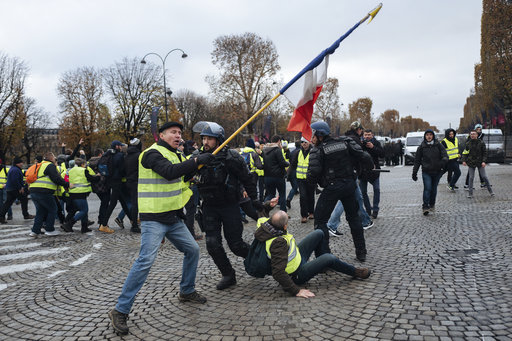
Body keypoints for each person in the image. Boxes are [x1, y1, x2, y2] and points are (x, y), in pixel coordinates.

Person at [108, 122, 214, 336]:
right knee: (145, 260)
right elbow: (168, 172)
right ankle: (120, 310)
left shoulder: (177, 155)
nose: (178, 136)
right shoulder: (151, 154)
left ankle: (186, 290)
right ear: (161, 135)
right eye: (173, 132)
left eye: (180, 133)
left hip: (173, 217)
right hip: (153, 219)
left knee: (192, 250)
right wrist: (195, 160)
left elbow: (180, 176)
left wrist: (196, 169)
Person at [194, 122, 260, 290]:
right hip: (209, 207)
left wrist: (255, 199)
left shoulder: (232, 157)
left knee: (236, 245)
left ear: (219, 140)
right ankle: (228, 274)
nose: (205, 142)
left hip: (230, 205)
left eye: (210, 139)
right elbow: (184, 175)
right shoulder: (197, 157)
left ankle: (260, 260)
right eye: (203, 138)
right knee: (212, 245)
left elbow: (247, 179)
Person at [253, 211, 371, 298]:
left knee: (319, 233)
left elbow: (261, 212)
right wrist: (296, 290)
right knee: (329, 258)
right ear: (284, 226)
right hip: (296, 274)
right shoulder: (278, 243)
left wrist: (269, 205)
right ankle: (355, 272)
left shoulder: (266, 225)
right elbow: (277, 272)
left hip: (297, 258)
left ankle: (323, 265)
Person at [307, 121, 373, 262]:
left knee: (320, 220)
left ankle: (323, 257)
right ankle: (361, 252)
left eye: (313, 134)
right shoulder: (345, 142)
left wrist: (312, 186)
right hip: (349, 185)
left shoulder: (318, 150)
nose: (311, 137)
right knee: (354, 218)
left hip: (332, 188)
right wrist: (362, 171)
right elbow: (364, 156)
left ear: (320, 135)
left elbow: (313, 173)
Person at [29, 152, 70, 237]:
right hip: (43, 191)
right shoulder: (50, 165)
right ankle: (50, 230)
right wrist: (67, 184)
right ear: (51, 158)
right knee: (53, 209)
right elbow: (56, 178)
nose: (55, 159)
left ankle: (35, 231)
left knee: (40, 211)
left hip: (33, 190)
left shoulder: (40, 165)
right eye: (55, 158)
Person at [412, 129, 448, 215]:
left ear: (433, 136)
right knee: (427, 188)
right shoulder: (421, 147)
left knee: (434, 189)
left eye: (430, 135)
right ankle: (425, 206)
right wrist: (414, 172)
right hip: (426, 171)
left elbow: (445, 156)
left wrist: (442, 163)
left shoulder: (438, 145)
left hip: (437, 171)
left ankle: (432, 204)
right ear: (425, 136)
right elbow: (417, 161)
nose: (429, 136)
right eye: (427, 135)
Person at [61, 158, 100, 233]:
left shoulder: (70, 170)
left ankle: (84, 227)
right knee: (84, 211)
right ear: (82, 164)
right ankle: (69, 224)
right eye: (85, 164)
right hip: (81, 193)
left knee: (83, 210)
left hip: (72, 193)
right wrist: (98, 176)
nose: (85, 166)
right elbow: (91, 179)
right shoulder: (83, 170)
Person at [102, 140, 132, 230]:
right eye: (120, 146)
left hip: (110, 180)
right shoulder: (119, 155)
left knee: (123, 201)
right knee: (113, 203)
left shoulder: (108, 154)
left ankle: (132, 220)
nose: (121, 147)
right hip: (117, 180)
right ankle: (103, 225)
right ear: (117, 146)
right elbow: (122, 169)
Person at [0, 157, 34, 224]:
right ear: (17, 163)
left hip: (10, 189)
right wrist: (20, 188)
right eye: (21, 163)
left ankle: (1, 216)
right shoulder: (15, 170)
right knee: (24, 199)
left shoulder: (14, 169)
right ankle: (26, 215)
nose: (22, 164)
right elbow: (15, 180)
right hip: (15, 189)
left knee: (7, 203)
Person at [462, 129, 494, 198]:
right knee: (471, 178)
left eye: (474, 134)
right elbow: (465, 153)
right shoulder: (468, 143)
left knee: (484, 177)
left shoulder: (481, 143)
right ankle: (470, 194)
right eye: (471, 134)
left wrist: (484, 161)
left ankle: (491, 191)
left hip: (480, 162)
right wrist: (464, 160)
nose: (472, 135)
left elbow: (484, 153)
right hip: (471, 162)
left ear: (477, 135)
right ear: (470, 135)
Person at [360, 129, 384, 219]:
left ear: (372, 135)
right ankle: (368, 209)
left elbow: (382, 154)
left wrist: (373, 147)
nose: (367, 137)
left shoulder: (376, 143)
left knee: (376, 189)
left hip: (375, 171)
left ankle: (375, 209)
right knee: (363, 192)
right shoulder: (360, 143)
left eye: (369, 135)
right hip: (363, 171)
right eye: (365, 135)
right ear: (363, 135)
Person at [263, 135, 289, 213]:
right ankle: (283, 213)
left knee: (270, 194)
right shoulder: (277, 150)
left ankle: (263, 209)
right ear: (278, 141)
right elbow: (282, 163)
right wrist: (287, 163)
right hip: (278, 176)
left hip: (267, 176)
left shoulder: (265, 150)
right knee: (282, 194)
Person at [292, 137, 315, 223]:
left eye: (305, 142)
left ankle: (311, 212)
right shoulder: (298, 152)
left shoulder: (313, 151)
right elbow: (293, 164)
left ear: (309, 142)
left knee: (311, 196)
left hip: (310, 178)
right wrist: (288, 174)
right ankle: (304, 215)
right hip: (301, 179)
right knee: (303, 197)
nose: (304, 144)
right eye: (302, 142)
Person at [124, 138, 142, 233]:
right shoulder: (139, 156)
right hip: (137, 181)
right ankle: (134, 225)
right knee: (136, 204)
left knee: (133, 203)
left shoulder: (126, 156)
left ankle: (134, 222)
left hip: (129, 181)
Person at [464, 124, 486, 189]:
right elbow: (466, 148)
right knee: (470, 173)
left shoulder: (481, 136)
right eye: (478, 129)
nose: (479, 130)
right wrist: (464, 159)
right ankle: (467, 184)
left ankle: (483, 183)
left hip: (479, 157)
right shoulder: (470, 137)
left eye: (480, 129)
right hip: (472, 157)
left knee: (481, 171)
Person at [286, 141, 301, 209]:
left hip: (291, 171)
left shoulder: (292, 152)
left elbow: (290, 161)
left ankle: (289, 199)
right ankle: (289, 199)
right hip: (297, 171)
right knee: (295, 187)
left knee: (294, 187)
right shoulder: (300, 152)